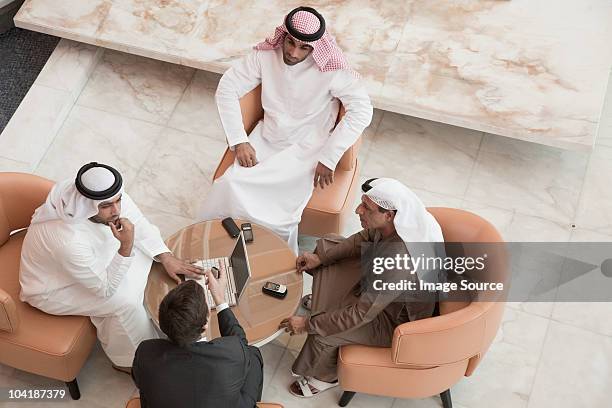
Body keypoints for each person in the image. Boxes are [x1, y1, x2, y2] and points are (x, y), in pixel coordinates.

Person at [201, 6, 373, 253]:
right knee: (229, 184)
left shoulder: (332, 70)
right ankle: (212, 248)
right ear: (283, 36)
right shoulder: (265, 56)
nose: (293, 53)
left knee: (279, 218)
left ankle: (271, 261)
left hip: (307, 150)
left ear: (316, 47)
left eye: (304, 47)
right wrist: (239, 140)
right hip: (267, 138)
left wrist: (329, 156)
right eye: (290, 43)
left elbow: (362, 110)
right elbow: (228, 87)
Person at [19, 162, 204, 371]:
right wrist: (125, 245)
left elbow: (137, 221)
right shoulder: (66, 240)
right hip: (53, 288)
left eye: (118, 201)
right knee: (124, 302)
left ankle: (153, 319)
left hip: (88, 262)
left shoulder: (107, 194)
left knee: (147, 255)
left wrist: (167, 256)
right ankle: (134, 361)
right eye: (106, 206)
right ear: (86, 205)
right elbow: (105, 289)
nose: (116, 210)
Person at [279, 178, 445, 397]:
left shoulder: (399, 260)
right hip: (379, 287)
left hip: (392, 319)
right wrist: (321, 259)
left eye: (366, 208)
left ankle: (327, 376)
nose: (358, 210)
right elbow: (363, 238)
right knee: (328, 244)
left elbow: (362, 313)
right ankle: (325, 302)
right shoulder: (391, 225)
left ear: (389, 215)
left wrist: (308, 324)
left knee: (324, 334)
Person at [132, 270, 264, 408]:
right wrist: (220, 299)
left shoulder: (145, 352)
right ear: (206, 322)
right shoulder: (233, 354)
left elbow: (139, 380)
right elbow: (242, 344)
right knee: (253, 353)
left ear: (162, 321)